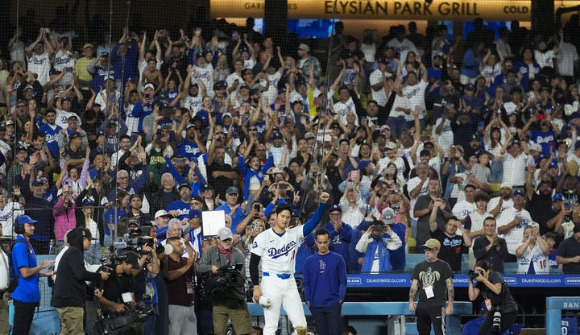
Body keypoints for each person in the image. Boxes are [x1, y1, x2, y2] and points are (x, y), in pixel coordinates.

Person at [250, 192, 329, 335]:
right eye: (282, 216)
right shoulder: (263, 237)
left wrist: (322, 204)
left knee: (301, 326)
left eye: (288, 217)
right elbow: (253, 264)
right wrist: (256, 286)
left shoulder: (294, 234)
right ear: (276, 217)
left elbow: (313, 222)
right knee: (271, 326)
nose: (285, 219)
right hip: (271, 281)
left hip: (290, 282)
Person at [51, 227, 109, 334]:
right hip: (71, 303)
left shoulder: (71, 252)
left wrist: (91, 291)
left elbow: (77, 278)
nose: (90, 243)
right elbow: (81, 274)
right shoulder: (74, 252)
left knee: (66, 332)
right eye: (89, 240)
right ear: (82, 239)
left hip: (65, 301)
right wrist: (99, 276)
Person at [198, 227, 252, 335]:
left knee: (243, 333)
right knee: (218, 332)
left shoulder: (237, 254)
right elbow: (199, 267)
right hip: (219, 300)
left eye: (229, 239)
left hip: (236, 299)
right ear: (218, 239)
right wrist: (210, 268)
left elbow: (242, 278)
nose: (227, 242)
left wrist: (229, 277)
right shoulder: (211, 250)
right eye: (224, 240)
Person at [11, 215, 55, 335]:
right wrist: (41, 266)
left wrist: (45, 274)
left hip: (29, 295)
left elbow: (29, 271)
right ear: (20, 228)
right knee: (20, 331)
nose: (33, 227)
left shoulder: (27, 244)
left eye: (33, 225)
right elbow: (25, 273)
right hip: (23, 296)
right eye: (29, 225)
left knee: (25, 330)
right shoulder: (20, 245)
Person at [303, 229, 347, 335]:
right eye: (320, 242)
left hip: (333, 304)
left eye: (325, 242)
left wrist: (340, 298)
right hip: (316, 305)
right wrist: (308, 300)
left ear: (329, 241)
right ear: (315, 242)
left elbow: (343, 281)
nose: (322, 245)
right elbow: (306, 282)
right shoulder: (309, 261)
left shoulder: (338, 259)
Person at [408, 239, 454, 335]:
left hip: (437, 305)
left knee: (440, 332)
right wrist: (411, 301)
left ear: (437, 250)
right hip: (422, 306)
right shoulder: (418, 266)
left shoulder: (444, 265)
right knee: (422, 332)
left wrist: (450, 305)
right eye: (425, 250)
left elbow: (450, 286)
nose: (427, 252)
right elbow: (414, 286)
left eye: (430, 250)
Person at [467, 260, 518, 335]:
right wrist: (470, 282)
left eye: (480, 271)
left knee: (493, 333)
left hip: (508, 311)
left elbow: (497, 291)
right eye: (476, 271)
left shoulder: (495, 275)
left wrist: (484, 280)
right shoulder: (480, 282)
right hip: (494, 310)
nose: (478, 273)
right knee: (482, 333)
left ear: (487, 271)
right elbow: (472, 297)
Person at [163, 236, 198, 335]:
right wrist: (187, 266)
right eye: (179, 245)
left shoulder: (185, 260)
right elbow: (169, 276)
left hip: (189, 304)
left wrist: (193, 261)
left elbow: (196, 272)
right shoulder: (166, 261)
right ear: (170, 247)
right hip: (174, 305)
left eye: (182, 244)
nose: (182, 247)